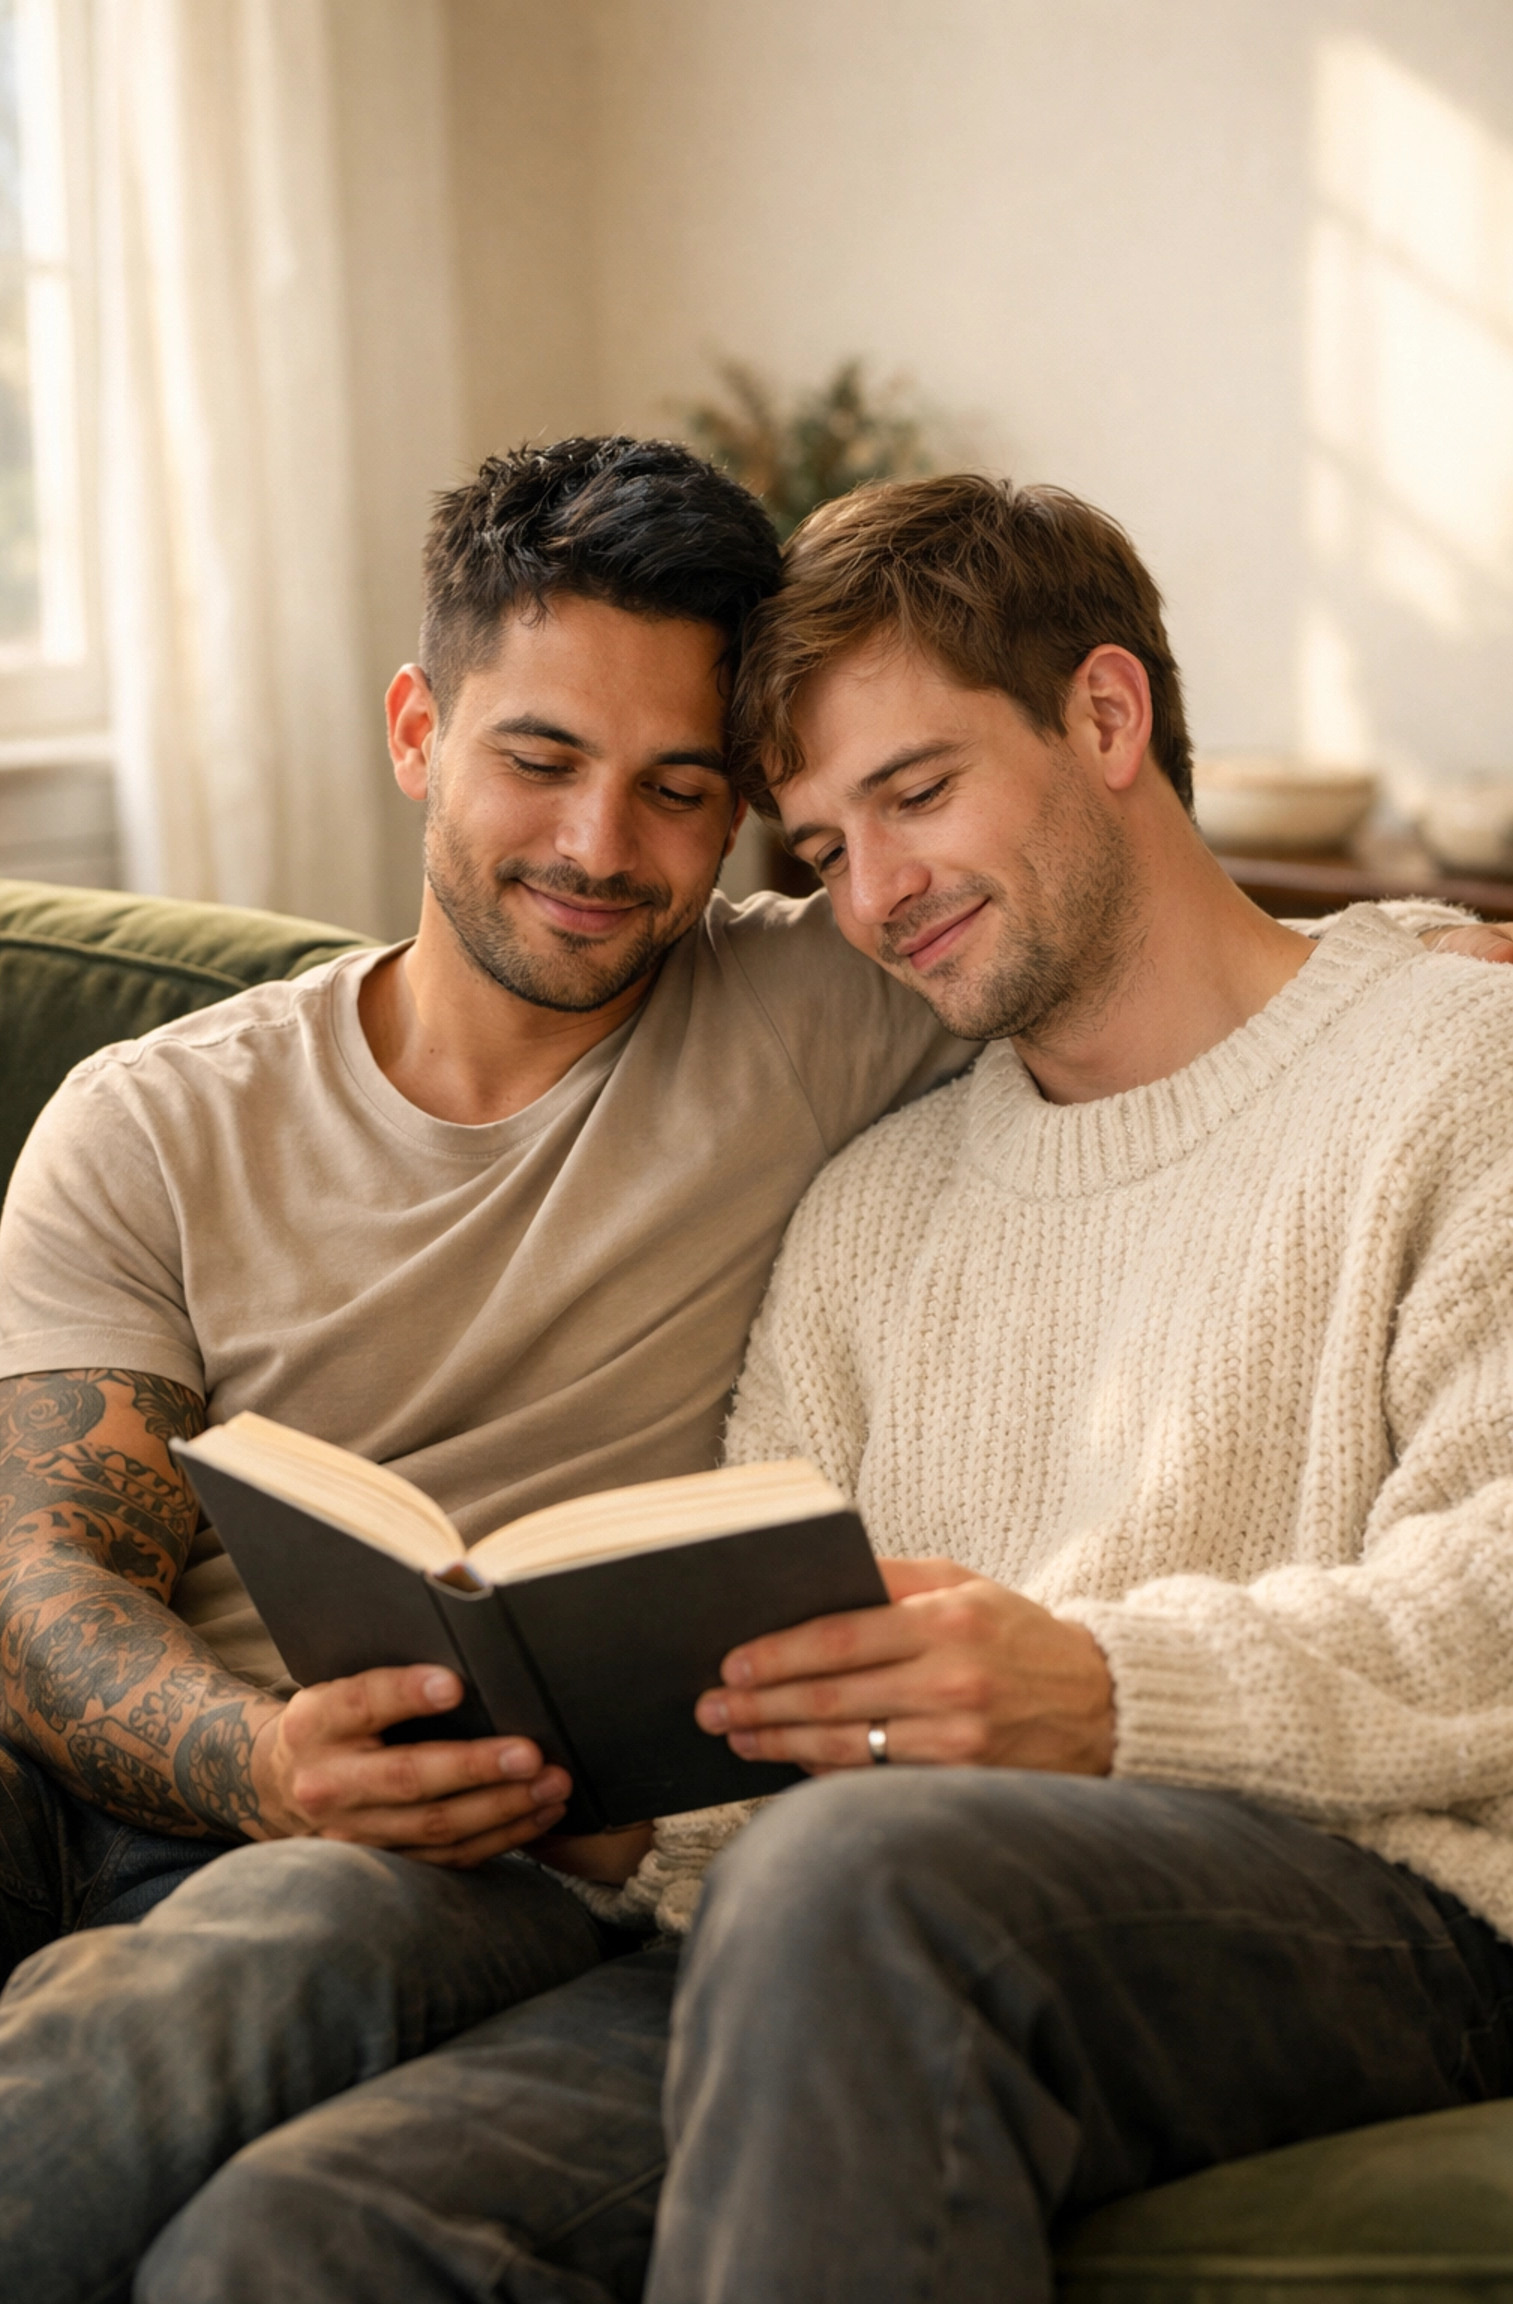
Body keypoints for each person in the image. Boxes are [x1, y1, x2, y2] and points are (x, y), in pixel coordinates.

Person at [136, 474, 1513, 2304]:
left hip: (1373, 1893)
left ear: (1107, 718)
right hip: (847, 1911)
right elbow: (753, 1755)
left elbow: (1490, 1602)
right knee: (298, 2233)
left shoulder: (1456, 1074)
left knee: (860, 1875)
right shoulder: (871, 1209)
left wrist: (1093, 1689)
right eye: (816, 845)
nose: (874, 897)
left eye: (918, 794)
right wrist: (581, 1788)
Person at [0, 435, 980, 2293]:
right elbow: (43, 1578)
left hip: (480, 1861)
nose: (604, 849)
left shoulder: (818, 1004)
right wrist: (265, 1755)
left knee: (276, 1945)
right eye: (540, 760)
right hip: (142, 1781)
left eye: (679, 790)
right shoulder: (153, 1120)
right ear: (417, 727)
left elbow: (1187, 952)